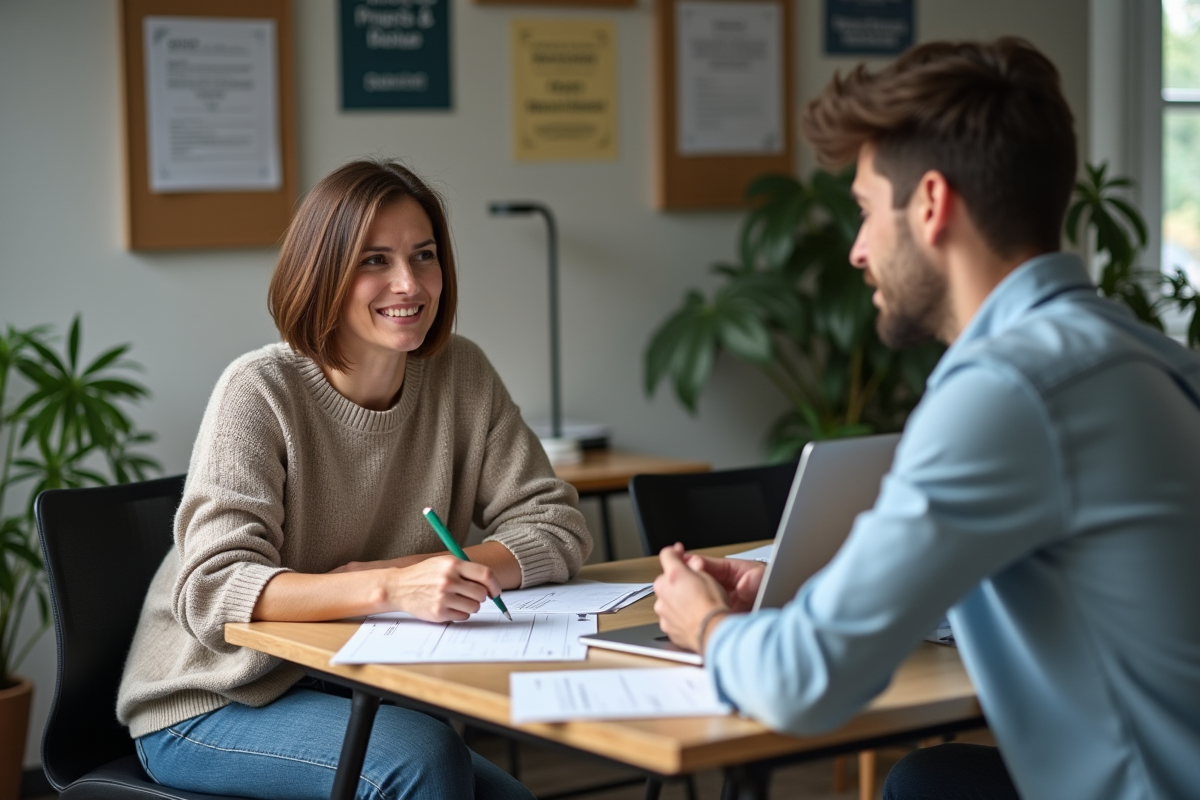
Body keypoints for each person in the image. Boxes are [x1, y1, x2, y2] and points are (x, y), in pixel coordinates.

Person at [652, 38, 1200, 800]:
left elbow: (806, 683)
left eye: (868, 213)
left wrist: (707, 624)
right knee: (931, 782)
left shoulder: (1005, 390)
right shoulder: (1148, 355)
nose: (856, 251)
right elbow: (1067, 582)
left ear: (933, 205)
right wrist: (809, 586)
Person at [117, 160, 592, 800]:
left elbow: (556, 524)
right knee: (424, 762)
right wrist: (391, 586)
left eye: (424, 256)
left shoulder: (462, 374)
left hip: (351, 683)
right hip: (213, 697)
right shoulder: (259, 391)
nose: (409, 282)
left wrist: (443, 575)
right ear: (324, 273)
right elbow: (212, 589)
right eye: (374, 260)